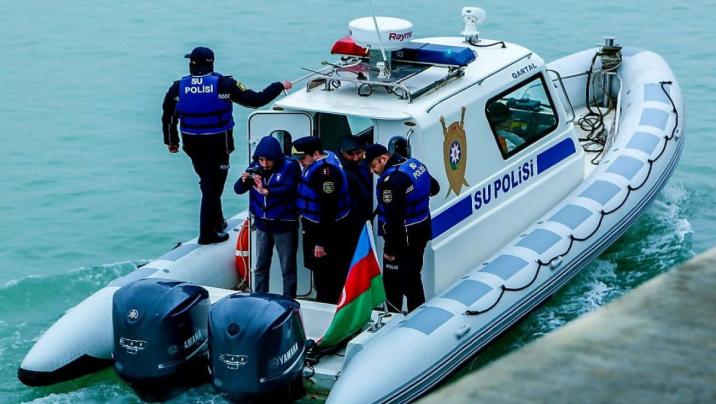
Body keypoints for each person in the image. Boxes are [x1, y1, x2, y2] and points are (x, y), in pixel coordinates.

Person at [161, 46, 292, 244]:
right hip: (217, 145)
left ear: (191, 65)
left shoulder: (178, 88)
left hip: (192, 145)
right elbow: (256, 100)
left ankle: (218, 222)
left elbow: (168, 116)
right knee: (213, 188)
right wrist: (278, 85)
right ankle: (207, 234)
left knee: (208, 182)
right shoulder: (224, 85)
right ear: (211, 63)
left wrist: (172, 141)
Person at [365, 144, 440, 313]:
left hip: (403, 239)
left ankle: (393, 317)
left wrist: (389, 250)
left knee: (393, 286)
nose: (372, 171)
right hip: (422, 230)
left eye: (373, 165)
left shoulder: (390, 182)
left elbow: (394, 219)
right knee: (413, 277)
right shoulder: (413, 164)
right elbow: (434, 188)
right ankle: (419, 314)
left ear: (383, 158)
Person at [234, 136, 301, 297]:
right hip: (262, 225)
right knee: (260, 266)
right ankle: (259, 297)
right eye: (261, 160)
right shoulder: (255, 167)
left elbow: (291, 189)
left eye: (268, 160)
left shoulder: (290, 167)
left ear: (276, 158)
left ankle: (289, 299)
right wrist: (243, 181)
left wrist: (267, 191)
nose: (264, 164)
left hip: (284, 224)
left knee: (288, 267)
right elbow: (238, 190)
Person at [292, 136, 353, 304]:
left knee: (326, 275)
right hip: (316, 227)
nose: (300, 162)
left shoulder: (326, 174)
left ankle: (327, 304)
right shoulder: (325, 158)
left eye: (303, 157)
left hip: (327, 232)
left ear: (316, 154)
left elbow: (328, 209)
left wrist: (321, 242)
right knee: (321, 272)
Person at [338, 137, 373, 244]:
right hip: (352, 222)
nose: (355, 158)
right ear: (342, 152)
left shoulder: (364, 165)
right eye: (350, 154)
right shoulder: (341, 171)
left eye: (358, 153)